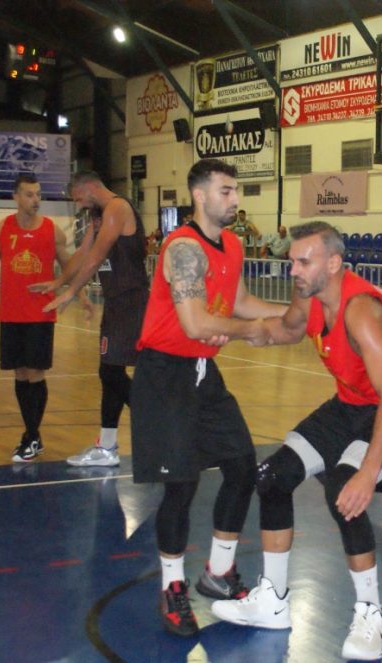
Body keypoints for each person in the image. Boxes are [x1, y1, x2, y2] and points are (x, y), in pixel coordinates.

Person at [210, 221, 382, 661]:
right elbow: (286, 329)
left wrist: (367, 474)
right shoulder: (309, 295)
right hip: (351, 404)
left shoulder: (361, 312)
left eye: (303, 261)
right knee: (272, 477)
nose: (293, 269)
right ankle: (273, 600)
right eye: (292, 261)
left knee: (343, 491)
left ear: (333, 264)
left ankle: (370, 615)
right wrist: (230, 330)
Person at [130, 159, 286, 637]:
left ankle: (218, 573)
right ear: (199, 195)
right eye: (225, 191)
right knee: (181, 486)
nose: (234, 199)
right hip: (164, 377)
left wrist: (295, 315)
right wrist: (249, 331)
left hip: (202, 373)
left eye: (235, 190)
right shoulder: (183, 248)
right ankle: (172, 587)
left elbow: (240, 303)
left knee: (242, 466)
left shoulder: (232, 245)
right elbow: (196, 322)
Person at [30, 171, 147, 468]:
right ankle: (107, 447)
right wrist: (59, 282)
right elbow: (83, 253)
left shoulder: (117, 208)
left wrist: (71, 292)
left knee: (111, 373)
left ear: (91, 187)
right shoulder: (98, 216)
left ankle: (161, 424)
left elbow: (96, 256)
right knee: (110, 373)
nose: (79, 204)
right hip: (116, 302)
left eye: (79, 198)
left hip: (131, 301)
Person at [0, 173, 83, 463]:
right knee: (20, 373)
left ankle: (32, 436)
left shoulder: (52, 231)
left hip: (40, 313)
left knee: (36, 373)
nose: (36, 200)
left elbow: (70, 266)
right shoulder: (1, 229)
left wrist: (77, 293)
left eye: (38, 194)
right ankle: (32, 435)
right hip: (11, 313)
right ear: (16, 197)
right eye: (29, 194)